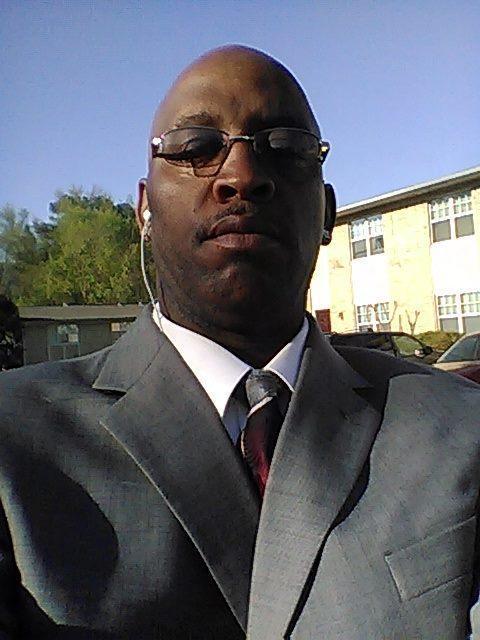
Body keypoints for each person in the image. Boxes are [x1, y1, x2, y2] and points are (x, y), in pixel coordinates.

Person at [0, 45, 478, 640]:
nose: (242, 176)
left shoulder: (459, 426)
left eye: (286, 147)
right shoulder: (13, 437)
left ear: (327, 213)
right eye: (195, 147)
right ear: (144, 210)